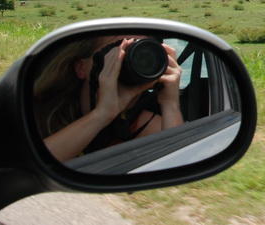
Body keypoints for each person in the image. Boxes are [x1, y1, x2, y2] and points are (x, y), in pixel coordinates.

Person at [33, 35, 183, 163]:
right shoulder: (42, 112)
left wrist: (170, 103)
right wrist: (102, 114)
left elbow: (176, 165)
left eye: (142, 52)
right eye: (117, 51)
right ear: (81, 67)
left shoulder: (147, 125)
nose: (128, 60)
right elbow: (38, 162)